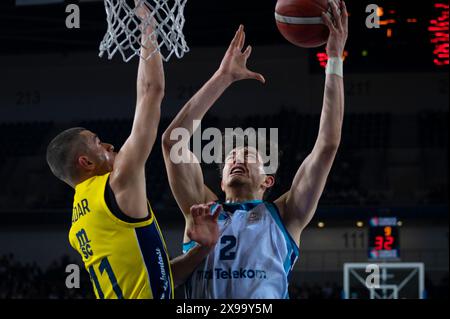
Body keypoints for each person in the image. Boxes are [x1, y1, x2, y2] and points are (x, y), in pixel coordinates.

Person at [162, 0, 348, 298]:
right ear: (221, 181)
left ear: (268, 180)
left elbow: (327, 144)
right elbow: (172, 142)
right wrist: (222, 78)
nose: (237, 158)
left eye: (249, 156)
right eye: (230, 158)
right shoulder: (201, 208)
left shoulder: (286, 214)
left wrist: (334, 58)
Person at [46, 11, 219, 299]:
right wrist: (147, 23)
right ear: (86, 162)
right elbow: (152, 91)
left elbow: (158, 279)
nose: (110, 146)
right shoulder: (115, 184)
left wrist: (205, 249)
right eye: (98, 142)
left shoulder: (79, 224)